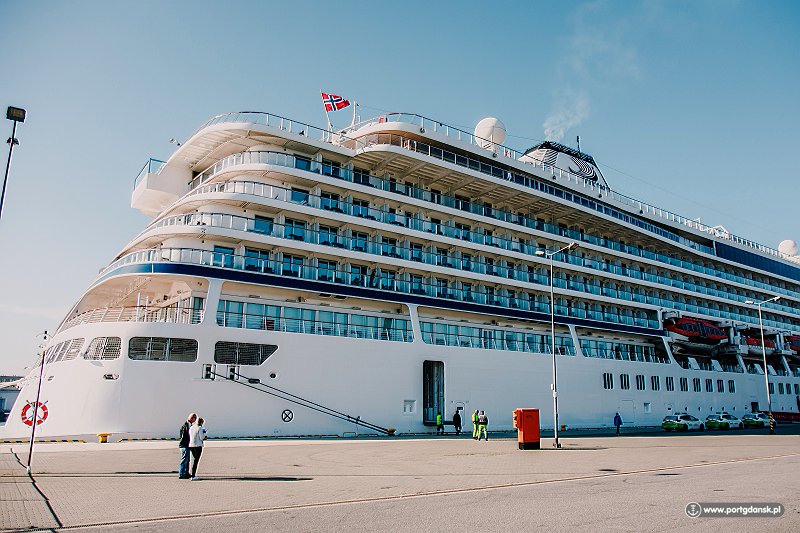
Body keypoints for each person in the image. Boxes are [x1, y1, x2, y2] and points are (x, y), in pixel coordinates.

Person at [178, 413, 197, 479]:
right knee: (184, 460)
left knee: (187, 460)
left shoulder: (189, 425)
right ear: (192, 418)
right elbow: (184, 437)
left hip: (187, 445)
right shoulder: (185, 426)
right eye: (195, 419)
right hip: (184, 445)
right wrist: (187, 443)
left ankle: (186, 473)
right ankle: (181, 473)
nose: (195, 421)